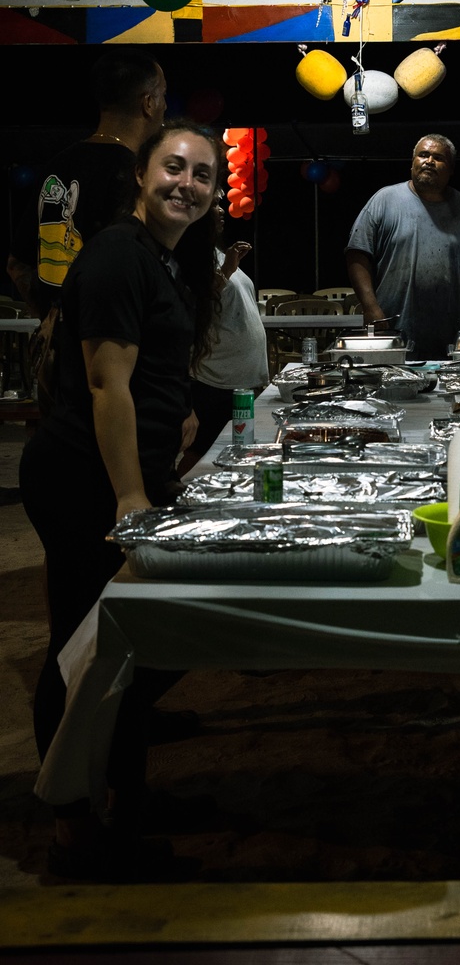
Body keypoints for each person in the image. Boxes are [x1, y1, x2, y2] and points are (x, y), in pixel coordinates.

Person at [19, 119, 223, 879]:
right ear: (140, 175)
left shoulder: (163, 260)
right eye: (174, 167)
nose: (187, 184)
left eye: (203, 174)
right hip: (84, 480)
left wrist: (181, 415)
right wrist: (131, 495)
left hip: (123, 474)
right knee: (83, 650)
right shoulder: (113, 253)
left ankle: (127, 801)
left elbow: (147, 372)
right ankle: (74, 831)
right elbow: (106, 384)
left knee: (136, 644)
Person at [7, 48, 167, 319]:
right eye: (163, 95)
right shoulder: (138, 177)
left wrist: (54, 324)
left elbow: (17, 266)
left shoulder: (56, 166)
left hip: (63, 352)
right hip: (116, 349)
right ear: (148, 103)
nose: (165, 106)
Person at [345, 134, 460, 360]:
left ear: (451, 169)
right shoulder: (384, 200)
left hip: (454, 336)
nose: (429, 161)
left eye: (438, 157)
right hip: (392, 329)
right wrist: (370, 308)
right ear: (412, 163)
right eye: (423, 155)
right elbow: (357, 254)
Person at [176, 195, 269, 476]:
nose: (221, 210)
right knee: (199, 454)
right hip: (213, 383)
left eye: (220, 203)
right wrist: (228, 269)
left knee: (236, 453)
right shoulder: (189, 257)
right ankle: (175, 504)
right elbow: (196, 304)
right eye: (213, 204)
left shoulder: (217, 254)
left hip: (237, 383)